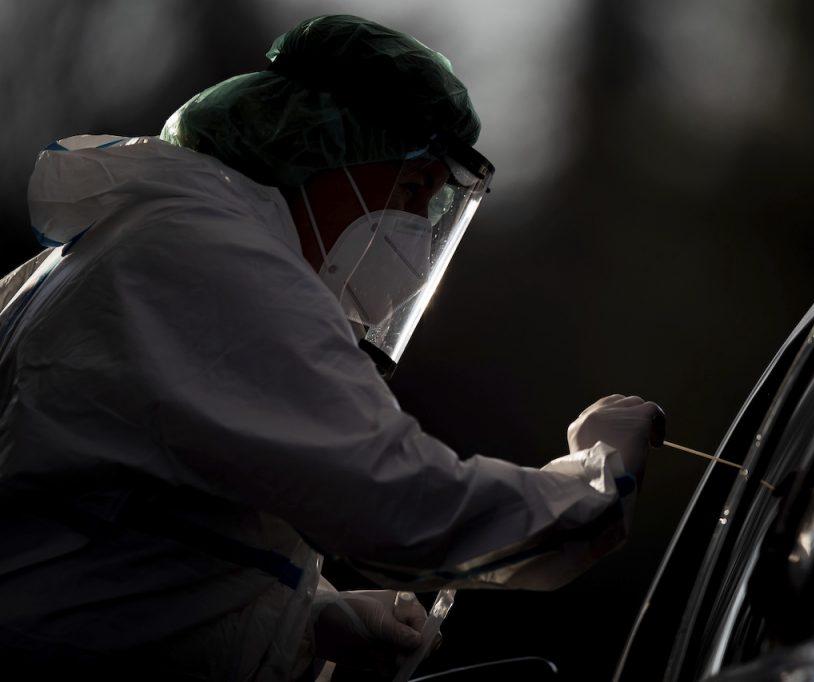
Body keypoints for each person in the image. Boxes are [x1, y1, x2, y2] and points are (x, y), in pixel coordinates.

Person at [0, 14, 664, 680]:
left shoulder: (150, 241)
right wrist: (594, 481)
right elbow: (401, 506)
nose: (412, 231)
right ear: (322, 155)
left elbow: (145, 524)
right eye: (409, 191)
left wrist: (311, 614)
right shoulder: (214, 261)